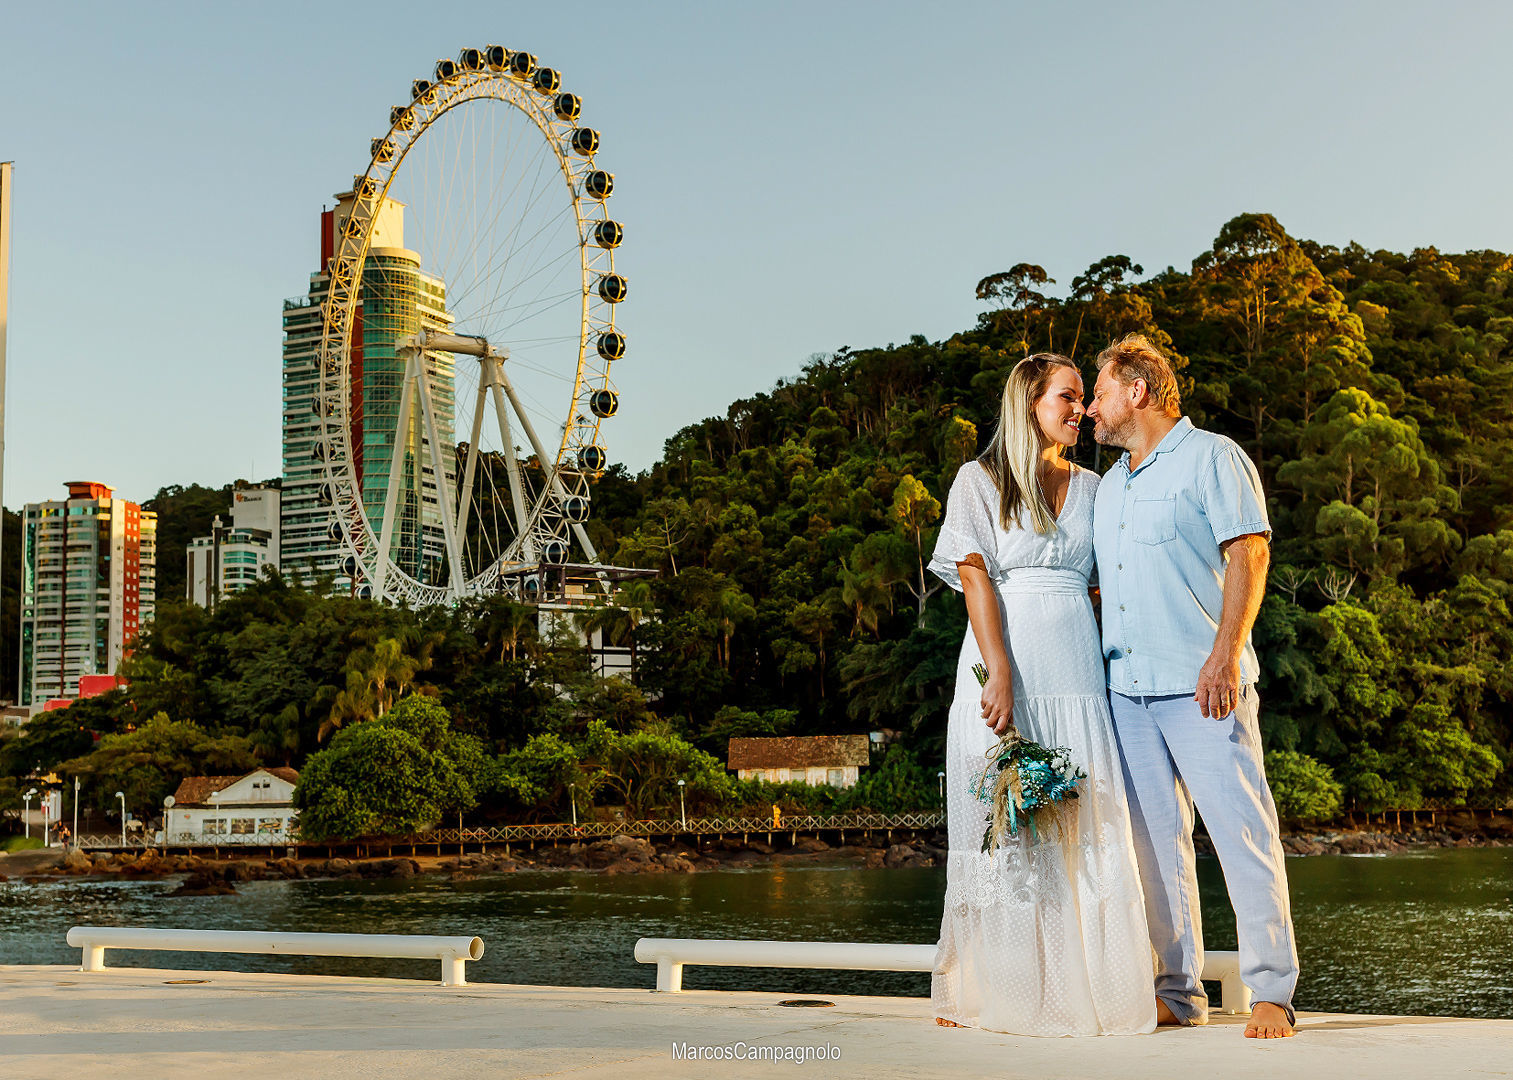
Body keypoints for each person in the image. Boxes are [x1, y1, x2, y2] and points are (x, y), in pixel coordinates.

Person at [927, 353, 1156, 1037]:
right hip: (1006, 665)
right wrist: (997, 669)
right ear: (1028, 402)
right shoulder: (979, 480)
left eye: (1084, 396)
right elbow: (973, 576)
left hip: (1076, 674)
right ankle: (998, 994)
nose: (1081, 409)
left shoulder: (1096, 486)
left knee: (1080, 827)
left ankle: (1088, 993)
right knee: (1006, 832)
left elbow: (1109, 579)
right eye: (1067, 395)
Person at [1086, 333, 1299, 1040]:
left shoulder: (1214, 457)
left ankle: (1272, 991)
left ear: (1137, 391)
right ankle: (1177, 993)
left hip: (1205, 685)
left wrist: (1225, 655)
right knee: (1155, 851)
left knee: (1243, 836)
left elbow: (1249, 552)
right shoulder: (1109, 485)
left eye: (1099, 393)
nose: (1090, 409)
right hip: (1126, 693)